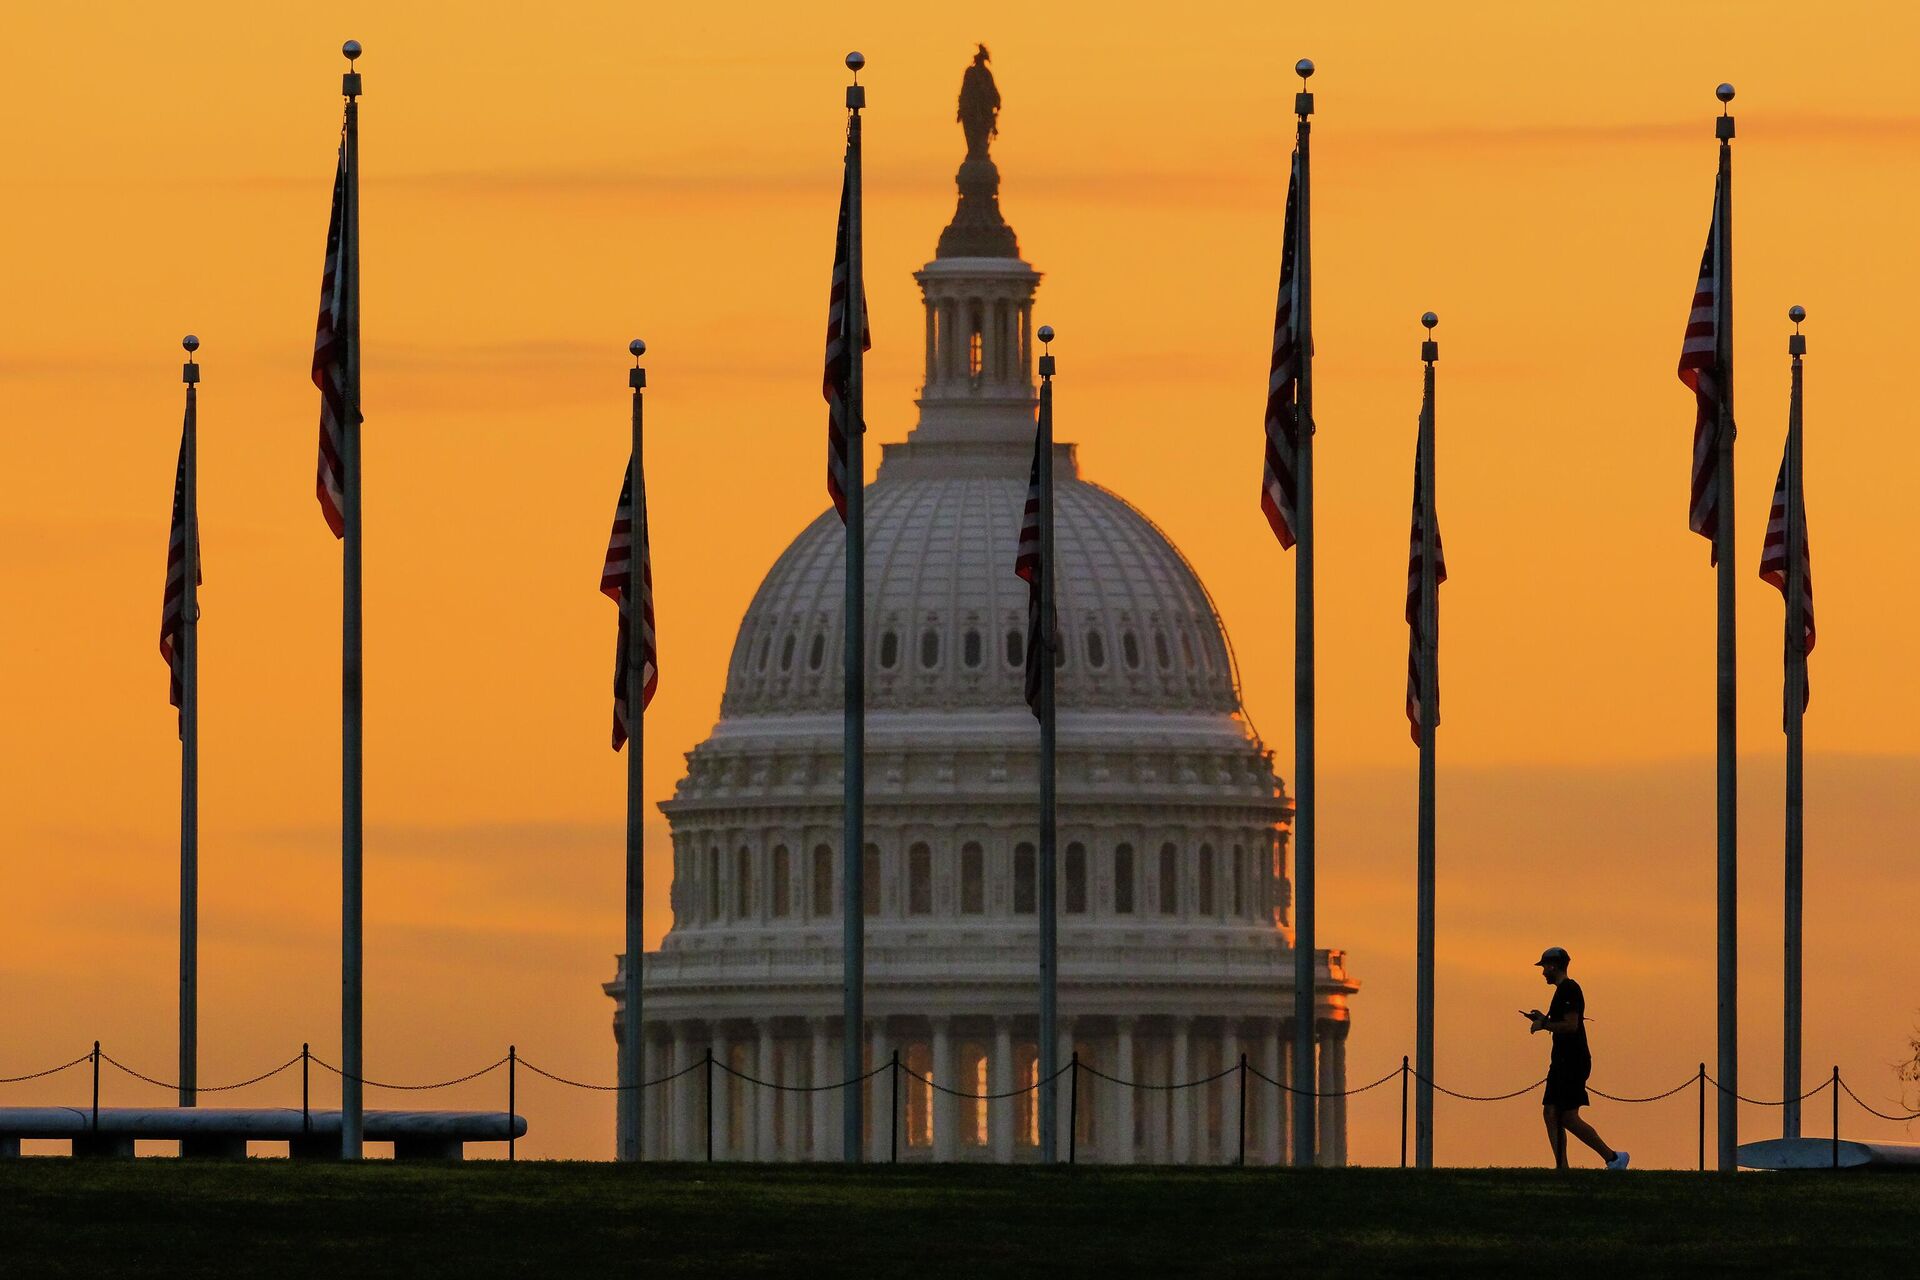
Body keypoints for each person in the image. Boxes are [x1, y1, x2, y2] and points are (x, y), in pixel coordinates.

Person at [1522, 947, 1629, 1170]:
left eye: (1544, 967)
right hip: (1562, 1061)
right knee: (1553, 1112)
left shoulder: (1570, 989)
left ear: (1553, 966)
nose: (1542, 973)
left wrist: (1543, 1025)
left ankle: (1613, 1158)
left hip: (1572, 1062)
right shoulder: (1563, 991)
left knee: (1565, 1116)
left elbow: (1571, 1026)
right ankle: (1566, 1166)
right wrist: (1544, 1018)